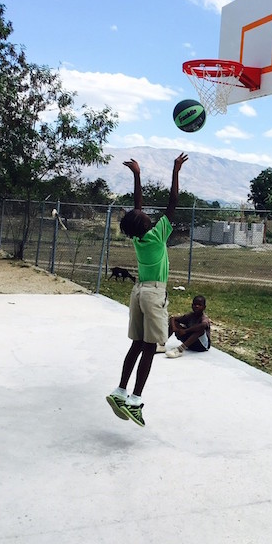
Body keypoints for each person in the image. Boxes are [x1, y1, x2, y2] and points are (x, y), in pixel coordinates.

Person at [106, 152, 188, 427]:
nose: (143, 212)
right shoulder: (156, 235)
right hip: (153, 294)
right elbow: (172, 203)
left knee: (137, 344)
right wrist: (175, 170)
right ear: (144, 223)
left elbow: (136, 209)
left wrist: (137, 176)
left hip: (138, 293)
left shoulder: (138, 237)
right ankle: (135, 400)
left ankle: (120, 391)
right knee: (151, 348)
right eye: (142, 215)